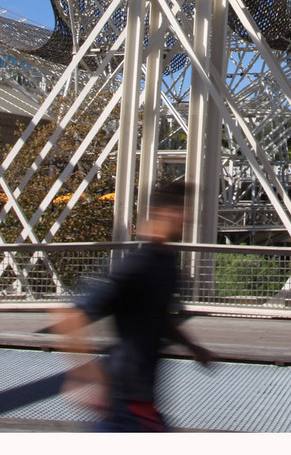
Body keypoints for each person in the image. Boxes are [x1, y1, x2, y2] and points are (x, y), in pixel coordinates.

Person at [53, 179, 212, 431]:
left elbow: (159, 317)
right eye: (183, 212)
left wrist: (194, 348)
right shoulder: (138, 265)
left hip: (141, 400)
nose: (188, 219)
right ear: (163, 213)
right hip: (124, 400)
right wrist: (84, 374)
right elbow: (72, 316)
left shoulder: (167, 264)